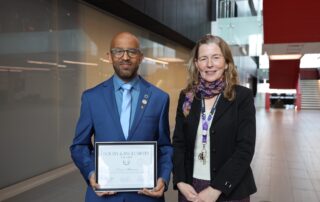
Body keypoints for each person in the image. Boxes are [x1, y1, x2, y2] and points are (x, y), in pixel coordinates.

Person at [70, 32, 173, 202]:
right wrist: (91, 172)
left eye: (132, 51)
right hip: (103, 195)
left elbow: (165, 147)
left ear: (140, 57)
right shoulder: (91, 97)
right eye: (118, 51)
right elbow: (79, 145)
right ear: (109, 57)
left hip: (146, 196)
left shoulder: (159, 98)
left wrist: (163, 177)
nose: (125, 57)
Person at [172, 34, 257, 202]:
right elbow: (178, 142)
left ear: (226, 63)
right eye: (203, 58)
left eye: (216, 57)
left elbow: (245, 148)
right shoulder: (187, 96)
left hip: (230, 188)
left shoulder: (242, 97)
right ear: (196, 64)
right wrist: (180, 180)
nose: (209, 64)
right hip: (191, 188)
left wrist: (216, 188)